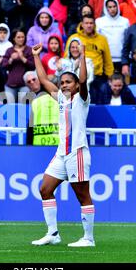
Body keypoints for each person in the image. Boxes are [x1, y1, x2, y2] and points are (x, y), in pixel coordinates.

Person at [31, 42, 95, 247]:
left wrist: (83, 55)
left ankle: (88, 238)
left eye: (69, 82)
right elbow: (42, 79)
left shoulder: (82, 99)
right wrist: (35, 56)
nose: (65, 84)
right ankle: (53, 234)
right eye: (62, 82)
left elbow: (84, 79)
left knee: (82, 195)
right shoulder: (60, 98)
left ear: (76, 85)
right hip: (61, 154)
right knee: (45, 189)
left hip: (77, 153)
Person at [65, 14, 114, 104]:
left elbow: (108, 61)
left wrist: (110, 77)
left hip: (97, 77)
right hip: (77, 76)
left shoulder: (102, 39)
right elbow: (66, 57)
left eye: (91, 23)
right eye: (86, 23)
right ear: (82, 24)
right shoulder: (74, 38)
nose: (89, 25)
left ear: (94, 25)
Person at [96, 0, 130, 73]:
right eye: (110, 7)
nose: (112, 9)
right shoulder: (99, 21)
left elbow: (127, 41)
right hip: (105, 59)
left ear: (117, 6)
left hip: (122, 59)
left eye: (114, 6)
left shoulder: (125, 21)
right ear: (106, 8)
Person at [2, 28, 34, 102]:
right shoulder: (9, 50)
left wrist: (23, 58)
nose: (21, 39)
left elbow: (33, 66)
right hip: (10, 85)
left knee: (22, 108)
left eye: (22, 37)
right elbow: (4, 66)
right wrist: (11, 59)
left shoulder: (29, 50)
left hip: (25, 85)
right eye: (18, 37)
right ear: (14, 38)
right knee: (11, 108)